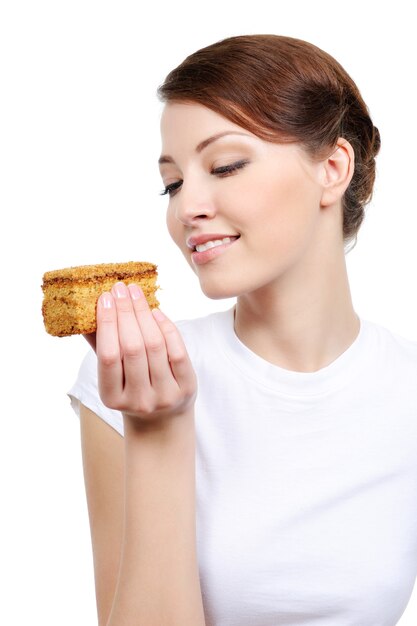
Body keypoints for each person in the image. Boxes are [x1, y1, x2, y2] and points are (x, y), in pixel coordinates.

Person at [68, 34, 417, 626]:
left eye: (225, 165)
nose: (187, 209)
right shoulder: (134, 380)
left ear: (332, 168)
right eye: (173, 183)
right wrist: (159, 429)